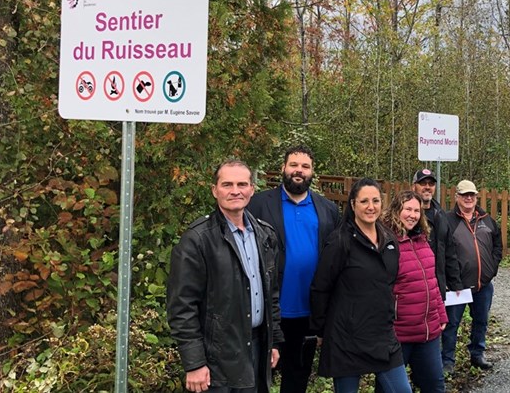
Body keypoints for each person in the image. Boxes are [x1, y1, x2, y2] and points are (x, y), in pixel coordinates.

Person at [167, 159, 283, 393]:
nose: (235, 191)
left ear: (252, 189)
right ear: (214, 190)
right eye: (227, 184)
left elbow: (271, 294)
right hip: (216, 357)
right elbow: (182, 306)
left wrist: (273, 341)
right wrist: (194, 362)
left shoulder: (265, 235)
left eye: (242, 184)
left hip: (256, 347)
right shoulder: (198, 240)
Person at [247, 145, 340, 393]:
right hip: (269, 312)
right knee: (259, 379)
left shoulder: (328, 210)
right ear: (283, 169)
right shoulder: (258, 205)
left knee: (297, 379)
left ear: (312, 172)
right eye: (294, 165)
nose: (299, 171)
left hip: (307, 313)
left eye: (305, 166)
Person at [309, 178, 411, 393]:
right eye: (364, 201)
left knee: (401, 390)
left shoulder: (389, 239)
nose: (370, 206)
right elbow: (320, 288)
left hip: (382, 334)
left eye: (375, 200)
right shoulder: (339, 241)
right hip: (346, 337)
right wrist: (319, 329)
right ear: (353, 204)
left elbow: (389, 283)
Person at [381, 190, 448, 393]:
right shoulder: (386, 242)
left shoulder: (422, 240)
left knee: (435, 386)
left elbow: (431, 281)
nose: (413, 215)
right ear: (396, 210)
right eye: (407, 209)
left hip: (428, 332)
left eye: (417, 210)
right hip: (398, 333)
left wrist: (441, 314)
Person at [439, 180, 502, 373]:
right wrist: (453, 281)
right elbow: (442, 252)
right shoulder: (447, 220)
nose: (468, 198)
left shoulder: (487, 220)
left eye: (472, 195)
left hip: (483, 285)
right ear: (457, 197)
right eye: (464, 195)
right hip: (458, 286)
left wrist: (491, 270)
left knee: (481, 320)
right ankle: (447, 360)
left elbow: (497, 246)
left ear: (476, 197)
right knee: (452, 324)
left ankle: (477, 354)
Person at [412, 168, 462, 300]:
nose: (427, 187)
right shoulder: (409, 216)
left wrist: (455, 282)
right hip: (414, 286)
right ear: (413, 186)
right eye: (423, 183)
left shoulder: (440, 214)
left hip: (437, 285)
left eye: (431, 184)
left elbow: (449, 251)